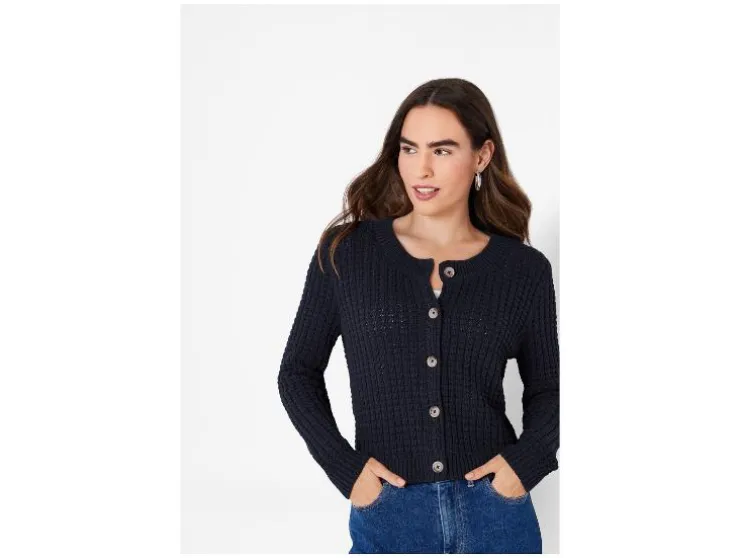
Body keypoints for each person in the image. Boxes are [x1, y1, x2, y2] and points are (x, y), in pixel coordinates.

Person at [277, 78, 559, 554]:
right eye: (409, 149)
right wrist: (348, 472)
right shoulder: (348, 254)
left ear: (482, 155)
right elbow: (297, 373)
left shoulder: (522, 270)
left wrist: (524, 465)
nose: (421, 168)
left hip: (497, 516)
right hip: (389, 513)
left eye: (442, 150)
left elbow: (550, 388)